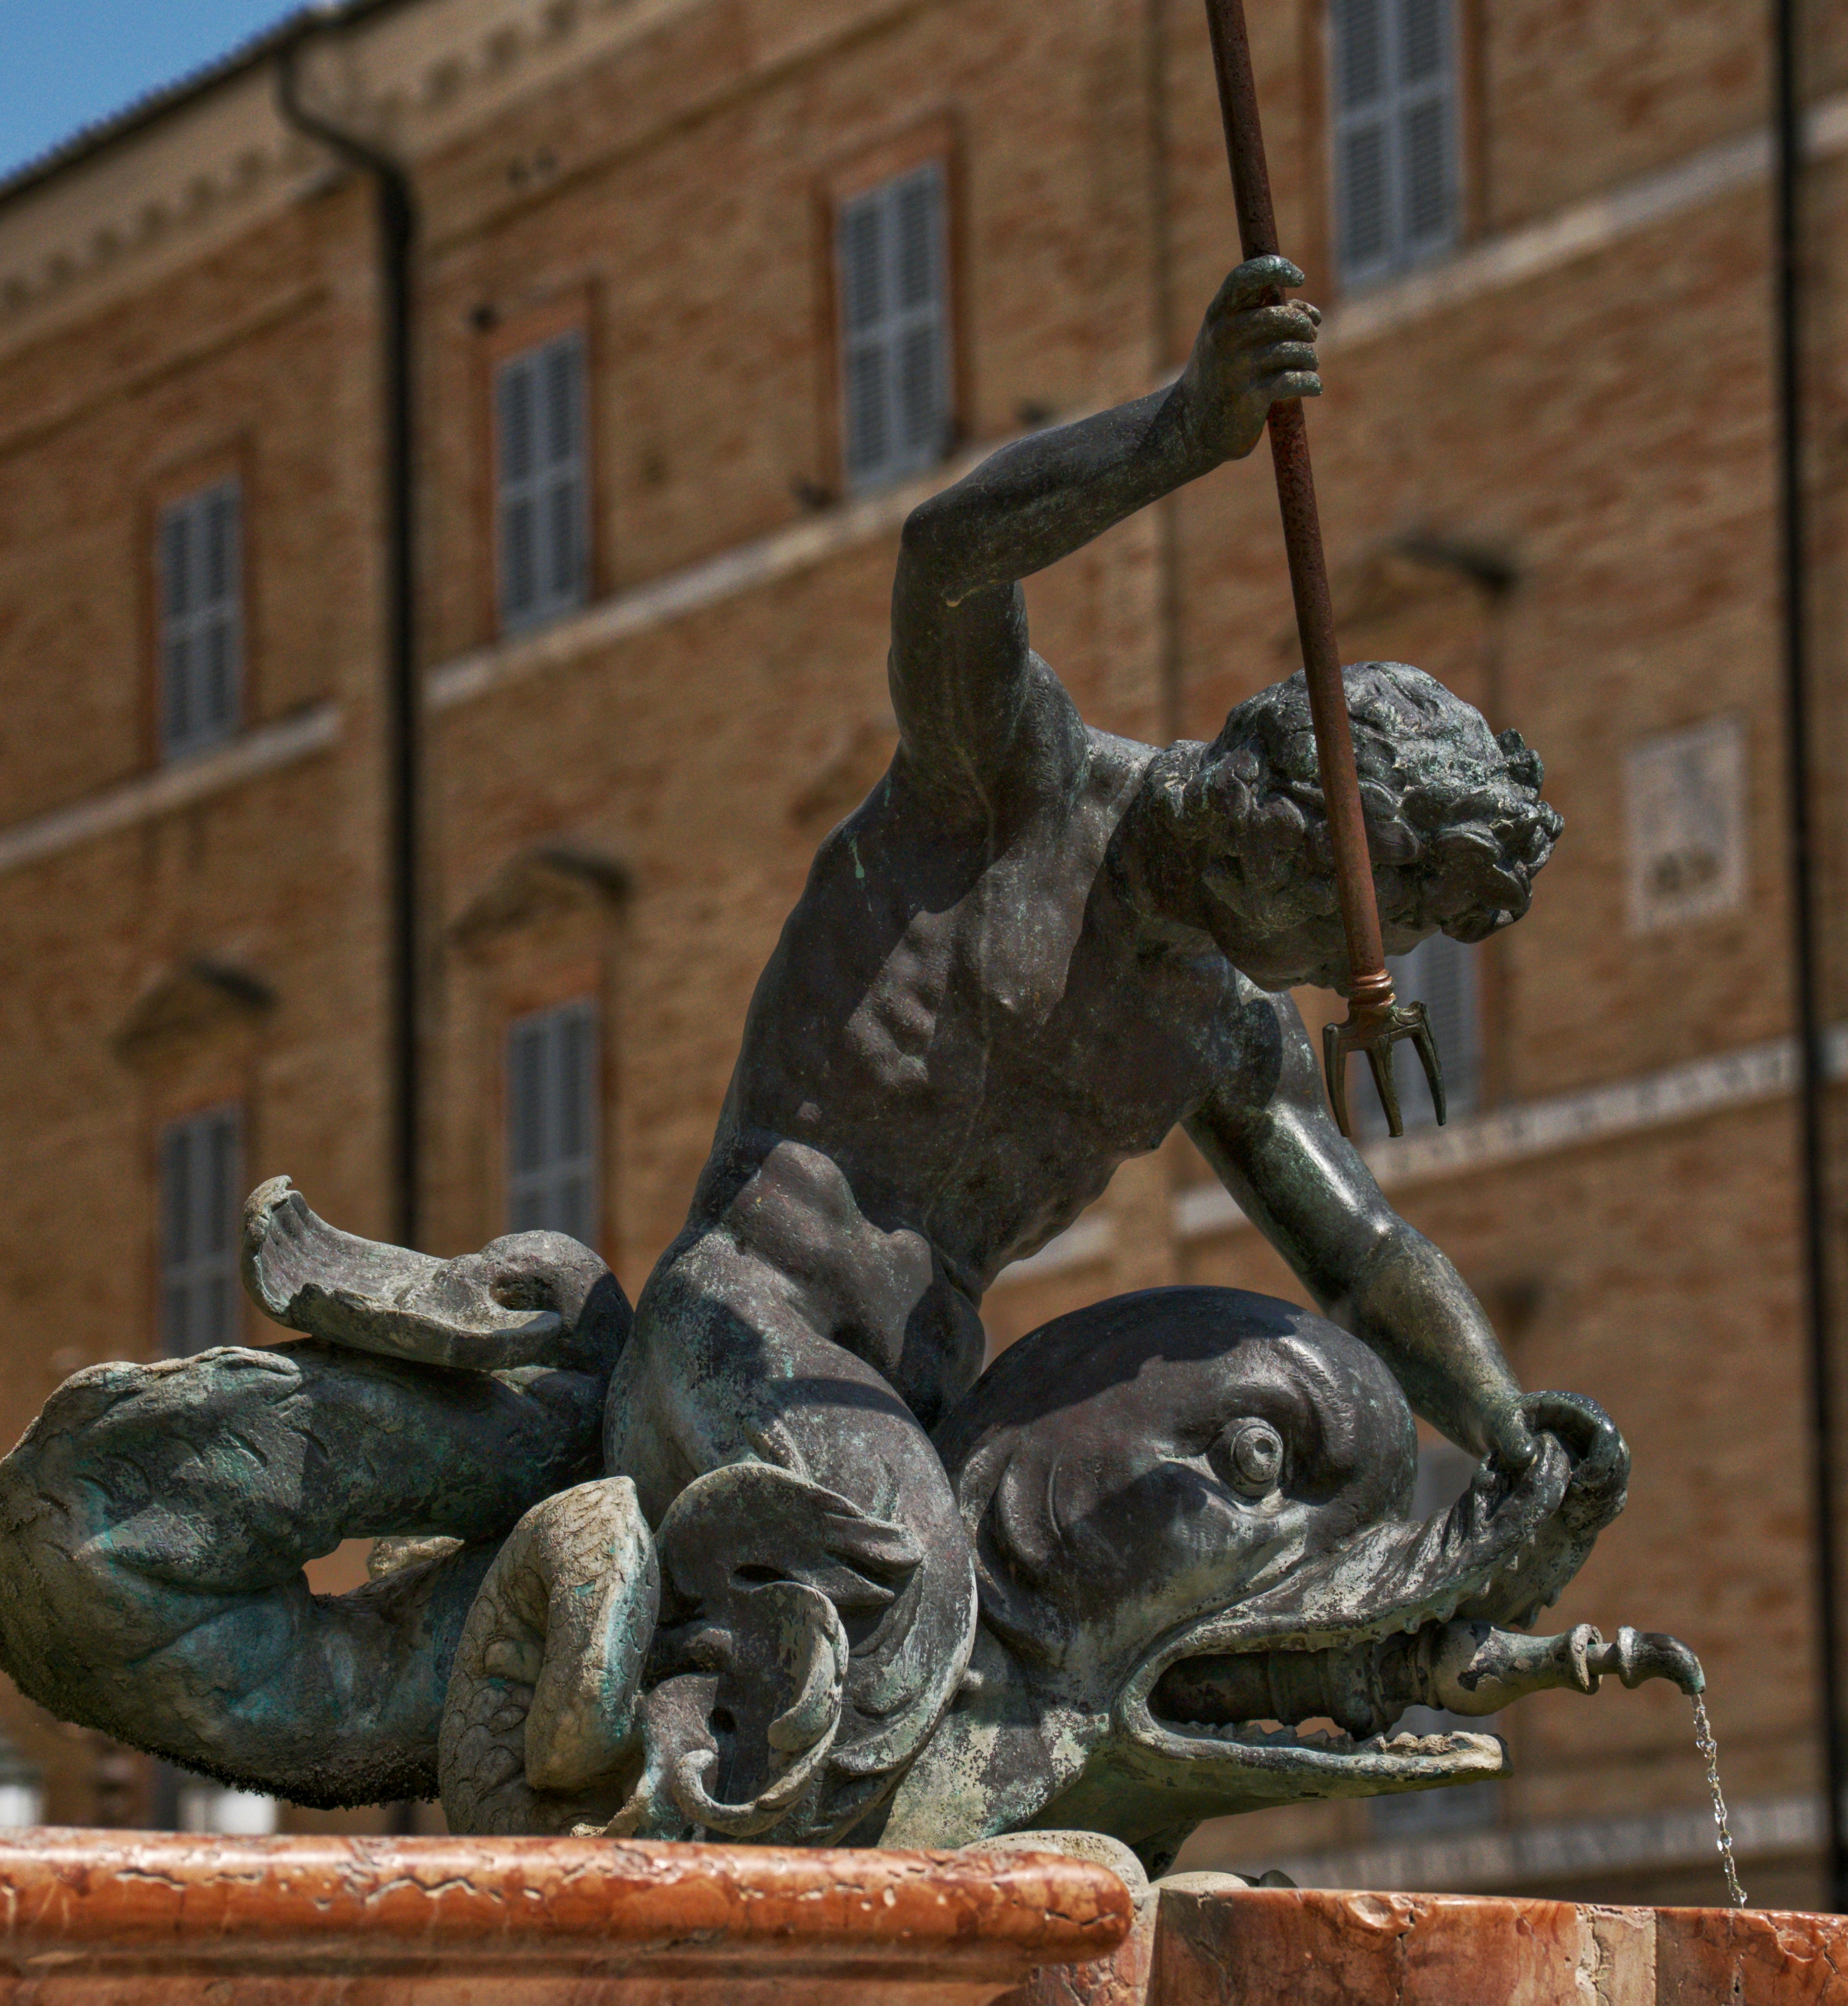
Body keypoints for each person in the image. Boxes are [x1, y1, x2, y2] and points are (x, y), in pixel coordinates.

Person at [599, 254, 1570, 1842]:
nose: (1356, 975)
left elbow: (1365, 1254)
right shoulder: (1016, 787)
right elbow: (945, 566)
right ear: (1302, 825)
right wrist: (1183, 431)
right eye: (1369, 920)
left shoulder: (1211, 1023)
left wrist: (1514, 1432)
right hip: (747, 1325)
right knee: (908, 1596)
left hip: (912, 1404)